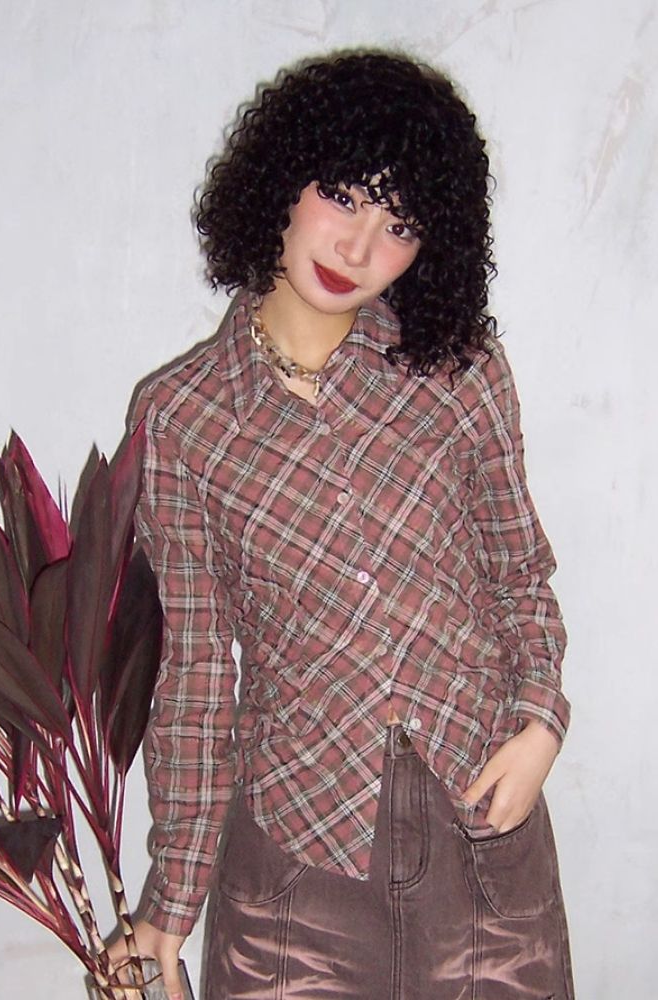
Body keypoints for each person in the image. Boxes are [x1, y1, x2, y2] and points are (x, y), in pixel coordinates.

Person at [109, 50, 574, 1000]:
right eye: (344, 196)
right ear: (281, 180)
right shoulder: (181, 418)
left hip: (482, 830)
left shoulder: (460, 373)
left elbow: (518, 572)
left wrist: (539, 724)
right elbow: (195, 674)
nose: (358, 248)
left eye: (399, 225)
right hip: (296, 859)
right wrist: (170, 903)